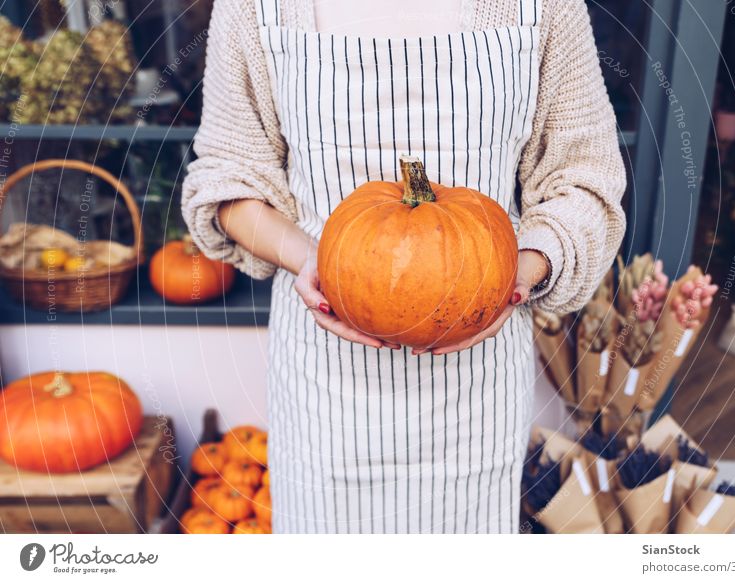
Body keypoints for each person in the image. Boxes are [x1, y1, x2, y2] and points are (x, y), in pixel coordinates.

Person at [182, 0, 626, 533]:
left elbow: (585, 180)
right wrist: (312, 260)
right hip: (324, 389)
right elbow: (228, 179)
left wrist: (517, 273)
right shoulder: (255, 8)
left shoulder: (543, 7)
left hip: (476, 393)